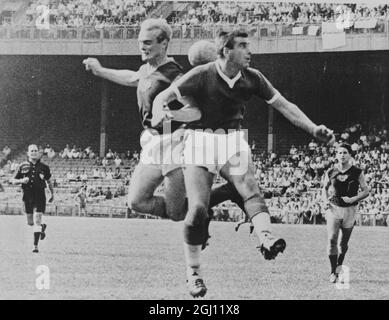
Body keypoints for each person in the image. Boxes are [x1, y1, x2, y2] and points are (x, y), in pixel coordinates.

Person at [152, 30, 335, 297]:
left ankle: (265, 236)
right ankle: (193, 272)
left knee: (248, 185)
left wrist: (312, 128)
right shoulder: (202, 74)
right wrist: (160, 112)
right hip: (200, 140)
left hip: (232, 139)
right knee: (198, 210)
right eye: (243, 46)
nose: (250, 51)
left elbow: (284, 105)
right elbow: (162, 97)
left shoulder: (253, 78)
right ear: (226, 50)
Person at [322, 143, 369, 283]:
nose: (342, 155)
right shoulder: (330, 172)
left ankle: (339, 266)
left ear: (350, 155)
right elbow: (324, 189)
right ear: (336, 155)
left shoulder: (357, 172)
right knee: (331, 240)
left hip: (350, 210)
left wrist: (353, 199)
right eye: (340, 152)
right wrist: (324, 201)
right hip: (333, 209)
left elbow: (366, 191)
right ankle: (332, 272)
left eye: (345, 152)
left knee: (343, 244)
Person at [10, 144, 54, 253]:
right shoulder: (22, 166)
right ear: (28, 153)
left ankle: (35, 246)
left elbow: (49, 181)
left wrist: (52, 194)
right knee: (30, 222)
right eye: (32, 151)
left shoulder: (44, 167)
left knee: (37, 219)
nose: (34, 152)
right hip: (27, 196)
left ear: (38, 153)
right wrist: (21, 181)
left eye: (35, 151)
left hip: (40, 195)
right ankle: (42, 227)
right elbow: (12, 180)